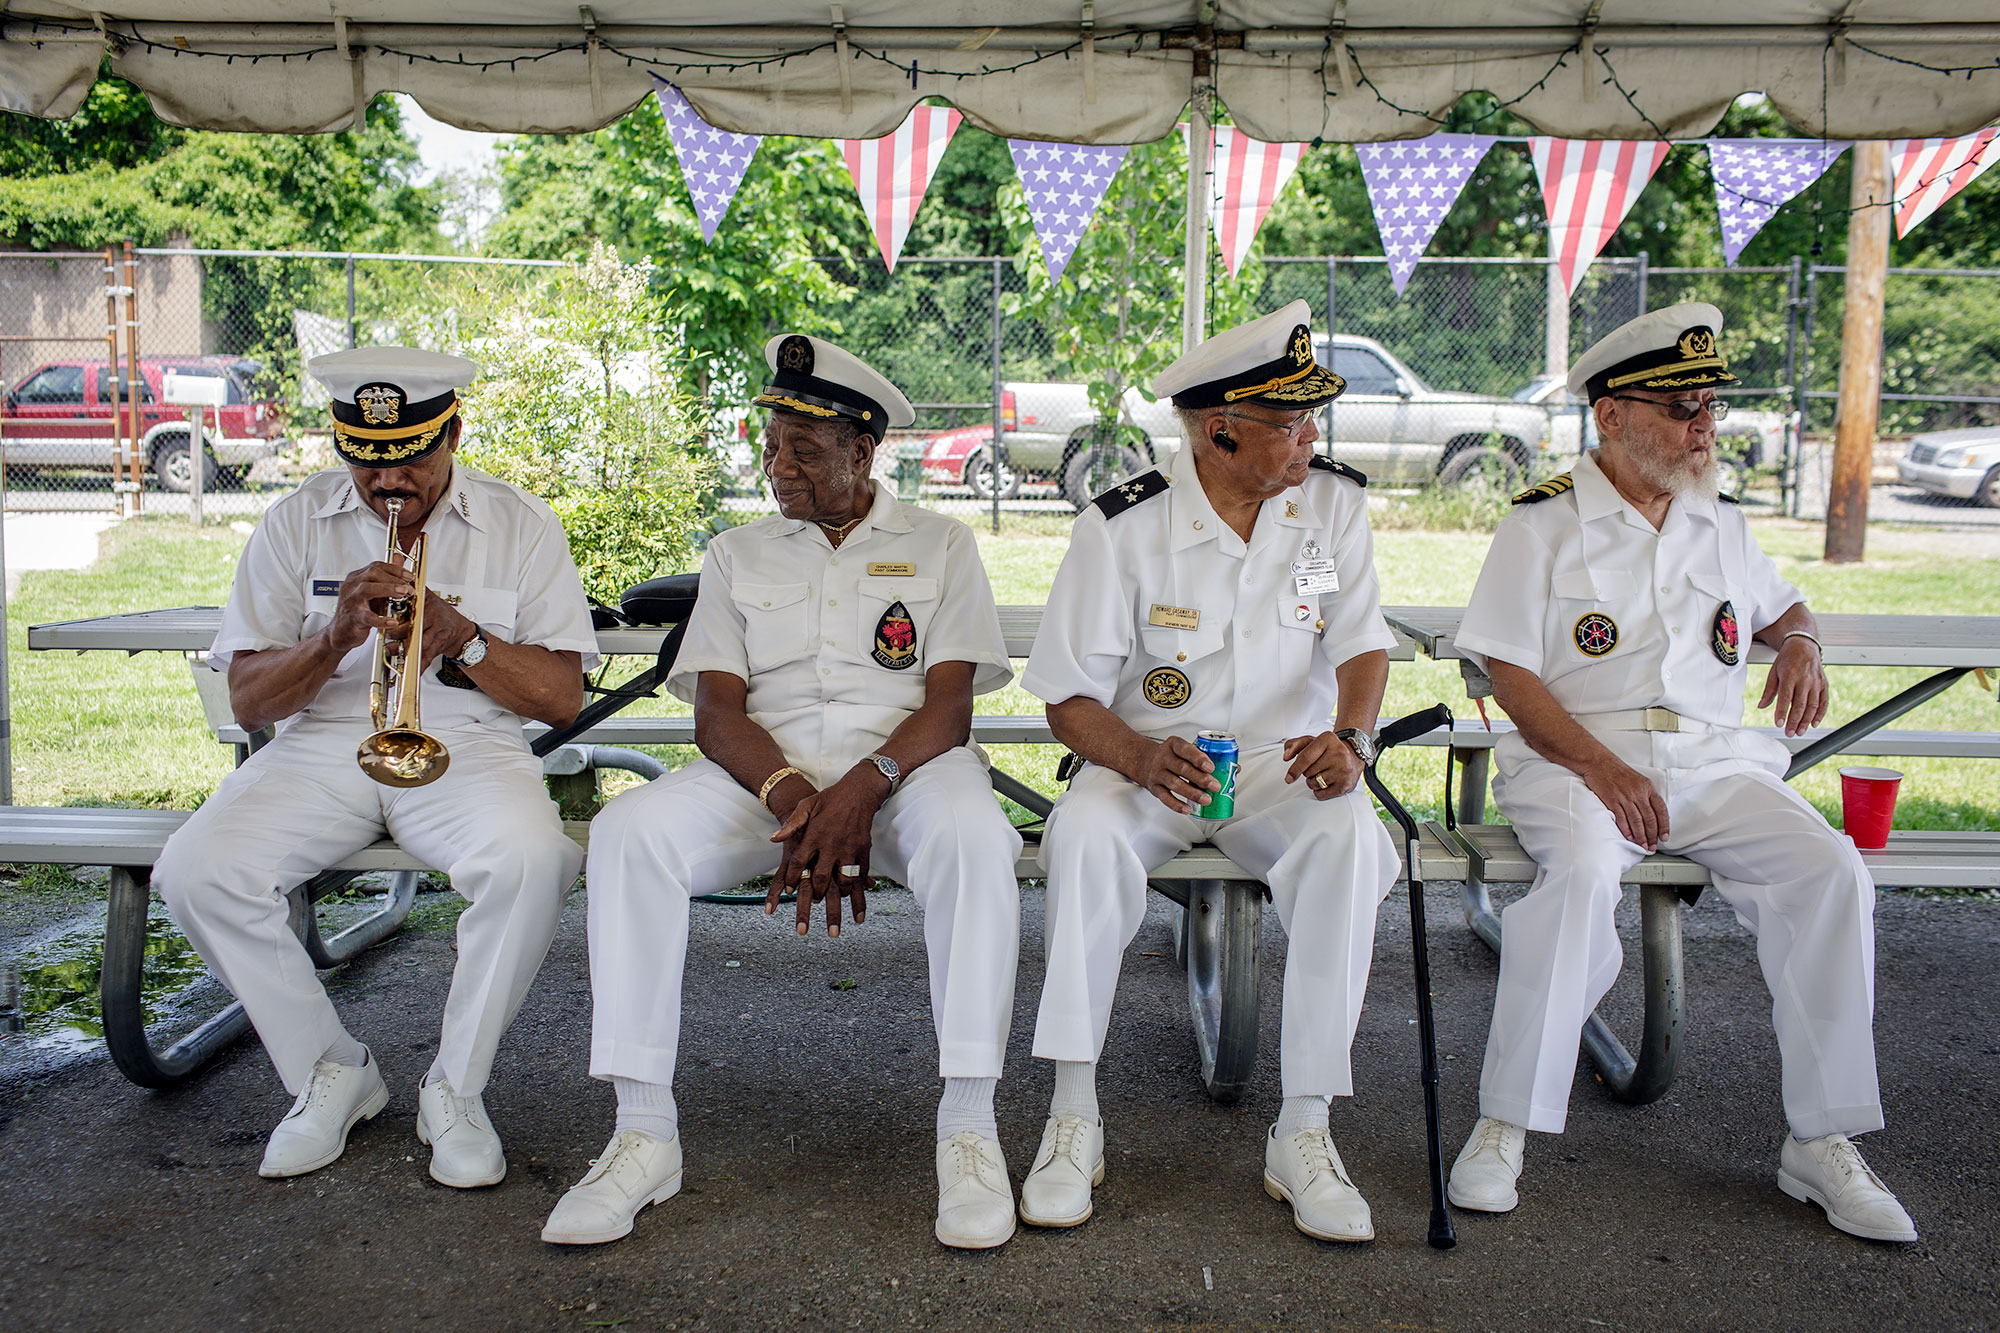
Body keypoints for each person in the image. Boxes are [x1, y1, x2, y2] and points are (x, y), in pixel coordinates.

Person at [1446, 302, 1918, 1243]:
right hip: (1573, 761)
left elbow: (1786, 606)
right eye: (1679, 408)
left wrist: (1803, 645)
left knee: (1830, 870)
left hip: (1710, 760)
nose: (1702, 426)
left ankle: (1820, 1141)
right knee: (1579, 880)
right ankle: (1506, 1121)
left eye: (1707, 406)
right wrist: (1607, 769)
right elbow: (1508, 672)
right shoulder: (1540, 524)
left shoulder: (1718, 519)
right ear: (1610, 415)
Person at [544, 335, 1024, 1251]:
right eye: (771, 445)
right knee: (628, 834)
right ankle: (642, 1132)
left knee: (976, 839)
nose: (780, 467)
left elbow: (951, 705)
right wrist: (797, 795)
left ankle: (969, 1125)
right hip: (769, 781)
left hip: (908, 772)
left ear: (864, 448)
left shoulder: (942, 543)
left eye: (804, 448)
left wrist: (864, 786)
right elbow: (716, 713)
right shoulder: (736, 553)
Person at [153, 347, 597, 1188]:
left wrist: (464, 636)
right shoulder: (296, 521)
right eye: (367, 461)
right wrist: (331, 638)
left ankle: (455, 1088)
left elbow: (562, 698)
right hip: (322, 744)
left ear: (454, 433)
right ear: (343, 445)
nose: (389, 483)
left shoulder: (520, 523)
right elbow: (248, 699)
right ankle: (330, 1070)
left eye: (412, 461)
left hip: (468, 748)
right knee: (197, 869)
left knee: (535, 859)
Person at [1018, 301, 1400, 1242]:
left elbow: (1361, 645)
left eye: (1314, 419)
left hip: (1280, 760)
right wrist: (1141, 756)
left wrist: (1351, 739)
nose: (1310, 438)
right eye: (1287, 422)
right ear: (1217, 429)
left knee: (1352, 837)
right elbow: (1067, 698)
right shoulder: (1123, 529)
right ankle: (1074, 1114)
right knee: (1084, 834)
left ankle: (1305, 1126)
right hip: (1145, 759)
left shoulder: (1333, 505)